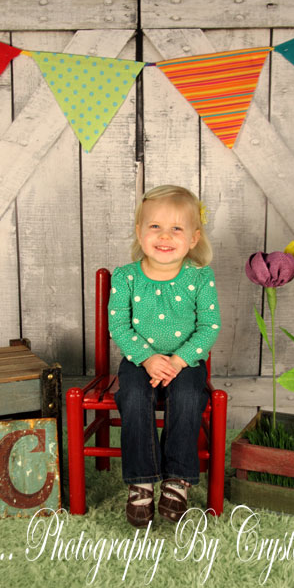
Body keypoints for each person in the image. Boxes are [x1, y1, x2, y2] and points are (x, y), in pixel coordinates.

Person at [108, 185, 221, 527]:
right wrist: (146, 358)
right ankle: (141, 481)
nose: (165, 236)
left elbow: (209, 327)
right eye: (155, 226)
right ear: (139, 231)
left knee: (187, 396)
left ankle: (177, 479)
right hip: (138, 361)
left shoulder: (199, 277)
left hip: (185, 361)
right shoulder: (126, 277)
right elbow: (118, 325)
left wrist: (177, 361)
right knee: (133, 395)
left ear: (193, 238)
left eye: (176, 228)